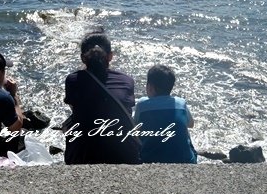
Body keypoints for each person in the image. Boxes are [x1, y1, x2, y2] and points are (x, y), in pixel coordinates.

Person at [62, 30, 141, 164]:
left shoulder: (73, 80)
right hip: (125, 155)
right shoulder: (126, 80)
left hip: (83, 155)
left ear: (83, 58)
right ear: (110, 56)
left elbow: (76, 107)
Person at [133, 64, 197, 163]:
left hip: (149, 160)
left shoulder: (142, 104)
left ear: (150, 87)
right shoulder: (180, 103)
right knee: (183, 127)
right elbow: (191, 124)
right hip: (186, 161)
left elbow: (134, 125)